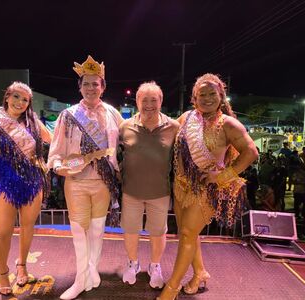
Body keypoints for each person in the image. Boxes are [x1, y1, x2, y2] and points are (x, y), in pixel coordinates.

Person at [157, 74, 258, 299]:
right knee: (188, 236)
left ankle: (171, 289)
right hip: (181, 186)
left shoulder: (229, 124)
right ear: (194, 97)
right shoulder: (186, 118)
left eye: (212, 93)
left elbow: (251, 152)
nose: (207, 98)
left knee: (186, 234)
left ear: (221, 95)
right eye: (202, 94)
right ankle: (200, 273)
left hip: (206, 190)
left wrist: (223, 175)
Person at [48, 55, 123, 300]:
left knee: (98, 231)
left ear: (103, 86)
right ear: (80, 87)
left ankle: (91, 271)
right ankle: (80, 279)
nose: (91, 88)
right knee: (79, 231)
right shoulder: (68, 115)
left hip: (103, 183)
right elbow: (57, 149)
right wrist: (58, 165)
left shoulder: (113, 113)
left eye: (96, 83)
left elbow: (128, 140)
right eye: (86, 83)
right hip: (77, 182)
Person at [0, 82, 52, 296]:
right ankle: (3, 273)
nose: (20, 102)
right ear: (7, 97)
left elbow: (53, 139)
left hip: (33, 182)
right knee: (2, 232)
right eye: (16, 97)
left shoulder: (33, 121)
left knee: (27, 226)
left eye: (25, 100)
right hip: (5, 184)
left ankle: (22, 265)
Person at [119, 81, 179, 289]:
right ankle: (133, 263)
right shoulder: (125, 127)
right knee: (130, 230)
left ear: (161, 101)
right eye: (145, 100)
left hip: (160, 192)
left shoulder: (173, 127)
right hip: (131, 191)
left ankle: (155, 266)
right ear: (137, 102)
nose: (149, 104)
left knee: (158, 232)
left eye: (154, 100)